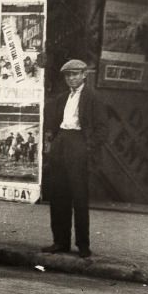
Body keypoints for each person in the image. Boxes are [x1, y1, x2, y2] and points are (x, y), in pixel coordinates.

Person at [42, 59, 106, 258]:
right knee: (58, 194)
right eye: (68, 75)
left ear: (84, 75)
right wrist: (52, 140)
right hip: (62, 143)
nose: (72, 78)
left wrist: (87, 148)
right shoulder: (62, 98)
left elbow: (103, 129)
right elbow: (53, 121)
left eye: (76, 74)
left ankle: (83, 245)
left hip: (79, 144)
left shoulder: (93, 98)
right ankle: (60, 242)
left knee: (79, 196)